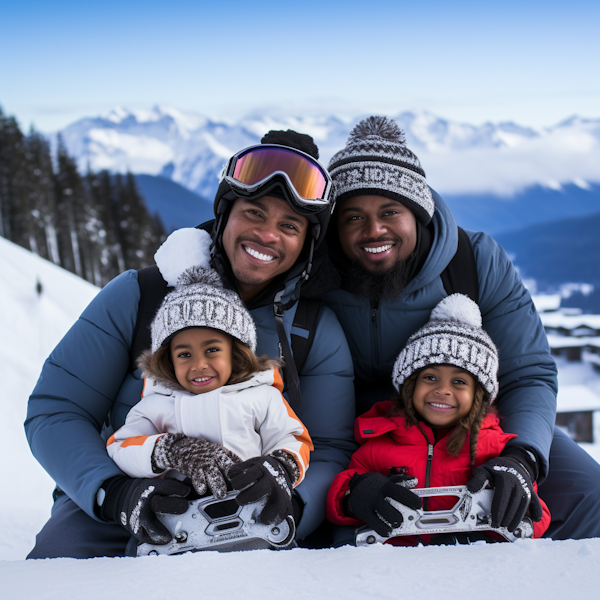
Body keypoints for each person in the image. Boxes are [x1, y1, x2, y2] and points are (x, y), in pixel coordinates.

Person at [25, 130, 355, 559]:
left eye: (289, 226)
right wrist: (114, 493)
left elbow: (328, 447)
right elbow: (57, 410)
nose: (267, 235)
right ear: (225, 214)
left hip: (251, 510)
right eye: (254, 213)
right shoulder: (140, 296)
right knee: (58, 575)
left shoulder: (312, 328)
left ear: (305, 245)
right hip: (124, 502)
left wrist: (292, 503)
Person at [317, 115, 600, 540]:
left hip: (474, 424)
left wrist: (520, 457)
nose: (373, 230)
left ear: (418, 213)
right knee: (338, 533)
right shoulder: (314, 274)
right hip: (360, 435)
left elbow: (528, 373)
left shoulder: (473, 262)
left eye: (390, 211)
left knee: (589, 496)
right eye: (352, 217)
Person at [106, 228, 313, 547]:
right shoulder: (157, 404)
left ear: (236, 351)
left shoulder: (261, 396)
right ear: (168, 360)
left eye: (212, 350)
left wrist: (281, 466)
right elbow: (121, 446)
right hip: (177, 526)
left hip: (253, 519)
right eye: (184, 354)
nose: (199, 364)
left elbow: (293, 438)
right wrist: (166, 449)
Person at [326, 293, 551, 545]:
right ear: (410, 385)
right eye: (430, 377)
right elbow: (341, 494)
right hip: (395, 569)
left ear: (478, 395)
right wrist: (357, 494)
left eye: (459, 381)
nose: (443, 390)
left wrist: (517, 497)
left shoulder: (494, 450)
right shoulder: (380, 443)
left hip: (479, 568)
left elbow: (538, 519)